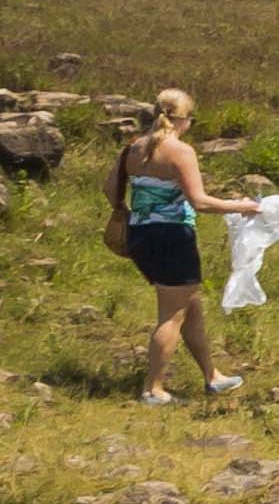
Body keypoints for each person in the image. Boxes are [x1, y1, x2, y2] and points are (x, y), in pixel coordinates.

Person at [106, 90, 253, 404]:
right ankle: (153, 388)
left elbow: (110, 191)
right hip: (172, 237)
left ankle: (212, 376)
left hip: (140, 236)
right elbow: (199, 201)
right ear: (182, 119)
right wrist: (239, 205)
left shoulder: (132, 149)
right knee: (172, 314)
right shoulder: (179, 151)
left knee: (190, 307)